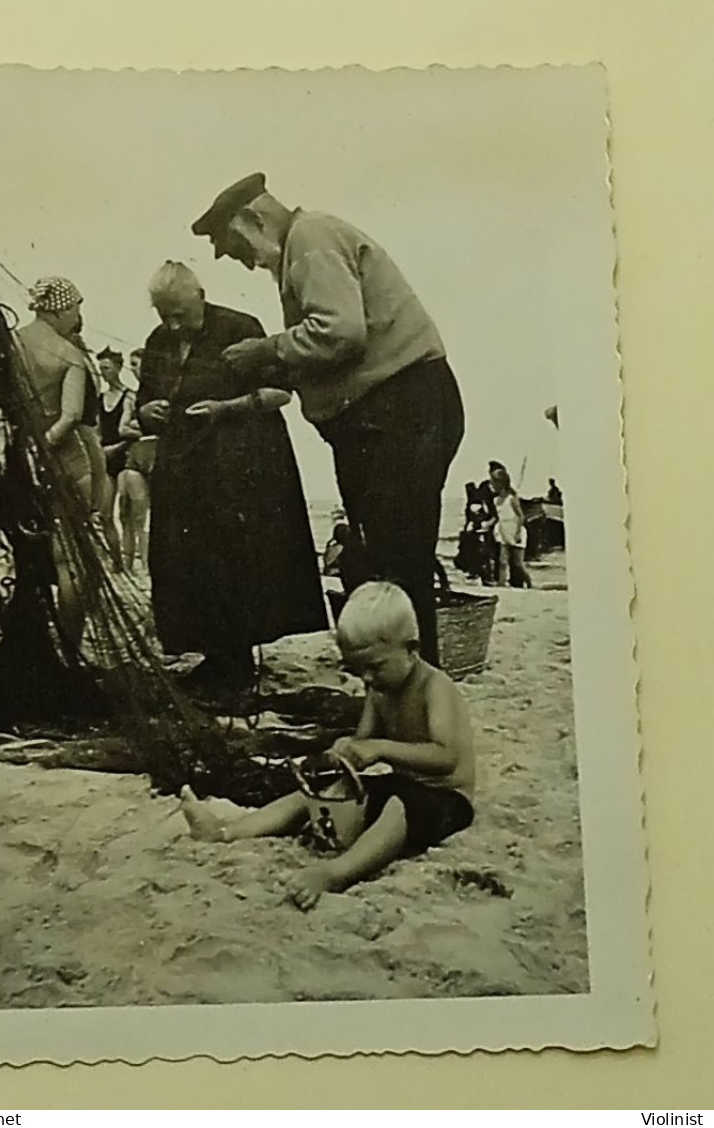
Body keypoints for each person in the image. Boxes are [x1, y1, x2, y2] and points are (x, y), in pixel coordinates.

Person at [191, 173, 465, 667]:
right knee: (386, 561)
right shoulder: (305, 244)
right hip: (389, 414)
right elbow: (332, 347)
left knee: (397, 564)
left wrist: (268, 348)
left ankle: (415, 697)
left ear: (252, 220)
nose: (246, 262)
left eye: (236, 248)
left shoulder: (310, 240)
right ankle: (401, 690)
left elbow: (340, 332)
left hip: (398, 409)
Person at [180, 581, 475, 910]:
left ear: (411, 649)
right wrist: (345, 751)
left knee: (396, 807)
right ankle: (225, 832)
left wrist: (380, 748)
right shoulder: (379, 690)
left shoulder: (435, 687)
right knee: (319, 791)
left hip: (448, 799)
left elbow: (446, 756)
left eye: (375, 666)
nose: (367, 678)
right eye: (358, 669)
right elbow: (363, 744)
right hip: (403, 785)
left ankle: (334, 874)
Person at [135, 261, 327, 692]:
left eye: (180, 314)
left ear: (199, 296)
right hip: (183, 466)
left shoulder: (240, 326)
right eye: (164, 314)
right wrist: (147, 411)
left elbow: (281, 394)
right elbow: (143, 401)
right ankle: (213, 654)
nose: (172, 323)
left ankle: (236, 659)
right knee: (185, 559)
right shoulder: (157, 340)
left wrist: (227, 409)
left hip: (238, 465)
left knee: (232, 557)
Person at [14, 275, 107, 651]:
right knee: (73, 564)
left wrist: (28, 449)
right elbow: (70, 417)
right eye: (76, 307)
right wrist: (46, 446)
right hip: (68, 462)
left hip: (19, 459)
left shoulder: (11, 343)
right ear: (61, 308)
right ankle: (71, 647)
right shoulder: (70, 355)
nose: (78, 315)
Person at [116, 347, 157, 574]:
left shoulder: (162, 387)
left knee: (158, 514)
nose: (134, 369)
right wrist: (139, 426)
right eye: (131, 364)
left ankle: (153, 566)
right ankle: (139, 567)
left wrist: (137, 424)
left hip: (158, 449)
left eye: (137, 364)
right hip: (138, 452)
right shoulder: (133, 395)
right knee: (137, 514)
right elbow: (123, 427)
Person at [95, 346, 130, 570]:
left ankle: (129, 559)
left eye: (107, 368)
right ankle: (116, 561)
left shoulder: (129, 396)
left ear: (118, 368)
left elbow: (131, 433)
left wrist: (116, 448)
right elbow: (97, 430)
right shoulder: (101, 398)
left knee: (127, 514)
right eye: (101, 369)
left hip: (124, 456)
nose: (104, 373)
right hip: (106, 457)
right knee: (105, 514)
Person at [490, 466, 532, 588]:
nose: (492, 485)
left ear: (500, 484)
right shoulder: (496, 500)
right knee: (502, 560)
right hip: (503, 530)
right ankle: (501, 584)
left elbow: (520, 516)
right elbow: (498, 516)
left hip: (515, 529)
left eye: (493, 482)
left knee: (518, 563)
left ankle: (529, 584)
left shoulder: (512, 499)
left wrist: (518, 532)